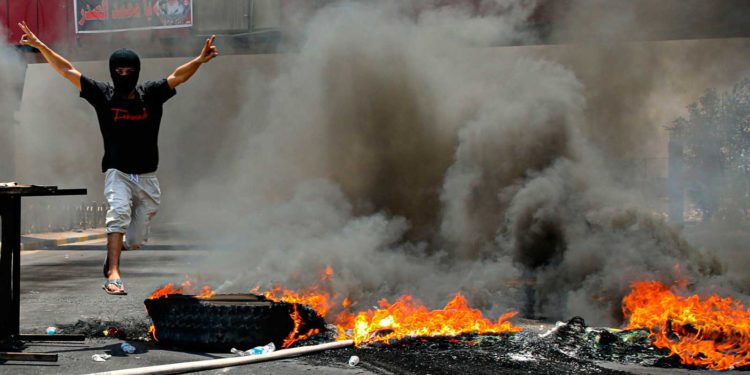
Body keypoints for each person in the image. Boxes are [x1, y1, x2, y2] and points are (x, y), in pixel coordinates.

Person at [18, 21, 218, 295]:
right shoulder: (103, 95)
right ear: (112, 72)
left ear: (137, 72)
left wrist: (199, 60)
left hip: (147, 175)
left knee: (135, 240)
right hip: (118, 171)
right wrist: (41, 46)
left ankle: (116, 249)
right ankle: (113, 273)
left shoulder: (151, 94)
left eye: (129, 70)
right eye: (118, 70)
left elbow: (178, 76)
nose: (124, 74)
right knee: (118, 214)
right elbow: (67, 70)